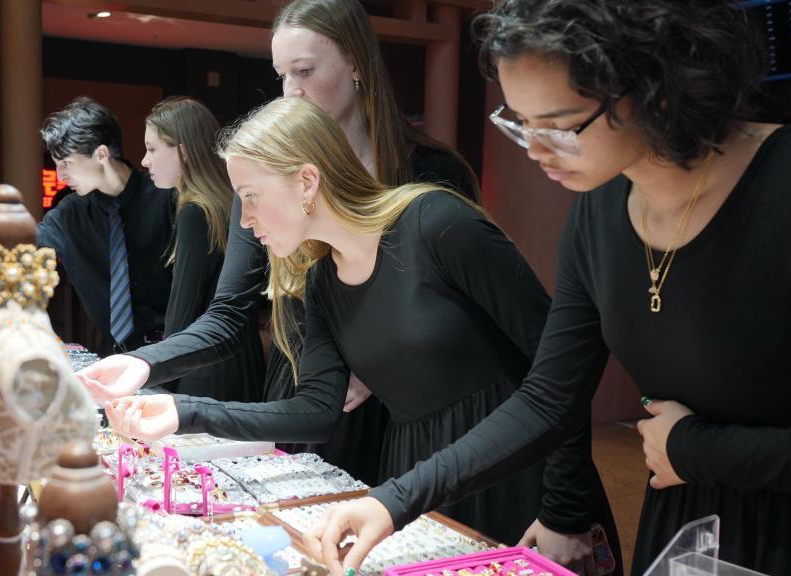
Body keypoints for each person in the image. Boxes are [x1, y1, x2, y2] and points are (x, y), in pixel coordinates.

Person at [301, 1, 791, 574]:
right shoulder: (600, 210)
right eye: (519, 123)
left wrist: (697, 449)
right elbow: (549, 397)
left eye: (559, 126)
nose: (535, 150)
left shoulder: (789, 185)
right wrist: (391, 502)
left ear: (658, 87)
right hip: (687, 515)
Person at [99, 96, 600, 550]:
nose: (246, 221)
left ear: (307, 182)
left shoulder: (436, 222)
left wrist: (565, 510)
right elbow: (315, 411)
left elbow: (559, 374)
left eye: (251, 196)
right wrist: (183, 411)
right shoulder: (321, 279)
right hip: (414, 480)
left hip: (516, 470)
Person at [79, 0, 478, 489]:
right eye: (282, 75)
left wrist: (383, 364)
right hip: (304, 395)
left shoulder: (433, 178)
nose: (292, 91)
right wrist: (146, 361)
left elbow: (465, 321)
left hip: (403, 411)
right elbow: (230, 312)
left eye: (305, 71)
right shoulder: (264, 174)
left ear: (357, 64)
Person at [140, 96, 264, 401]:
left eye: (152, 149)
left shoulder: (196, 211)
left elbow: (182, 311)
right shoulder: (226, 202)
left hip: (206, 371)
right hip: (240, 358)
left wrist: (158, 378)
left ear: (183, 151)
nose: (144, 161)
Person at [37, 96, 175, 355]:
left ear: (101, 154)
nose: (60, 176)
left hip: (177, 351)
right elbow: (18, 249)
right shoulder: (70, 214)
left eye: (66, 163)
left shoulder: (166, 197)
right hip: (115, 352)